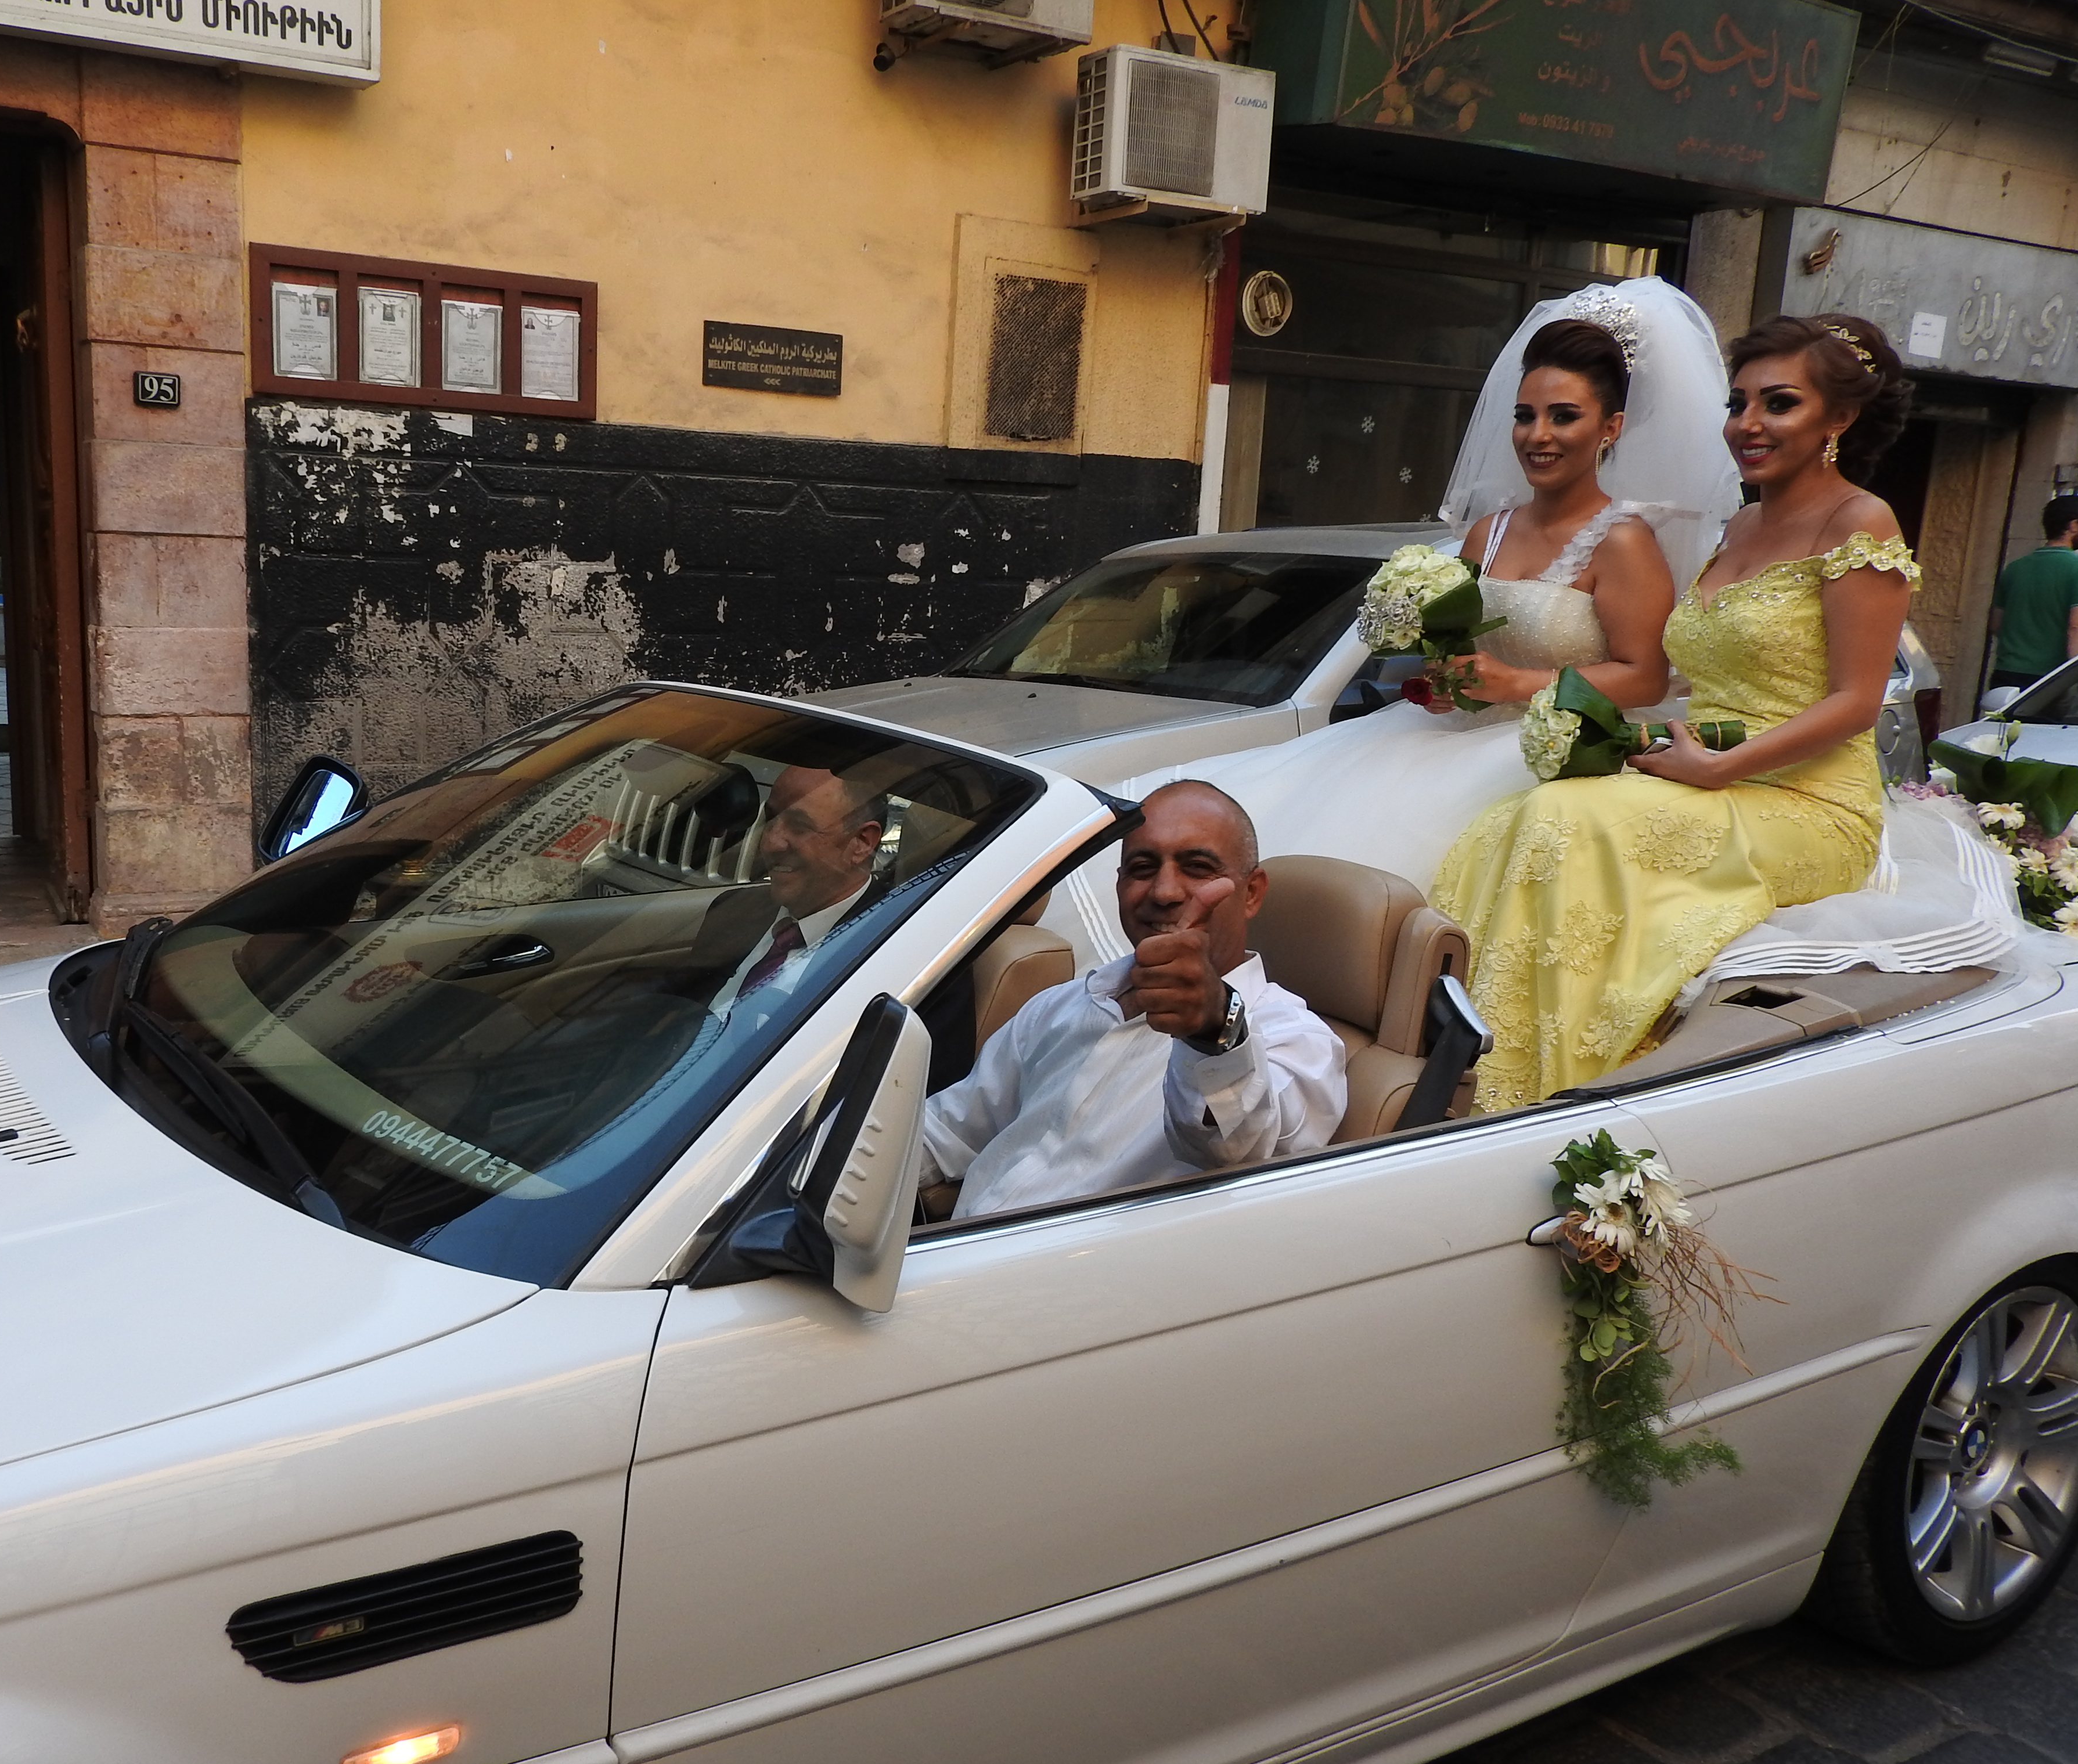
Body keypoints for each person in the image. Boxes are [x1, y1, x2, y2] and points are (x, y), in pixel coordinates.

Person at [1038, 279, 1741, 964]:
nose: (1538, 435)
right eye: (1526, 416)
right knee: (1255, 797)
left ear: (1610, 428)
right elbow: (1457, 651)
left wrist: (1517, 684)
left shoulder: (1624, 541)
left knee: (1369, 859)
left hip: (1533, 751)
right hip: (1439, 731)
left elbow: (1645, 674)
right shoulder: (1488, 533)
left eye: (1565, 416)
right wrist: (1444, 679)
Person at [1430, 313, 1924, 1109]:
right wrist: (1652, 738)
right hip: (1713, 764)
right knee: (1510, 819)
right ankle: (1466, 1055)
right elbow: (1707, 681)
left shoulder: (1861, 523)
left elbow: (1855, 703)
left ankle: (1539, 1089)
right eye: (1739, 403)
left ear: (1840, 417)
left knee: (1564, 820)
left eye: (1779, 403)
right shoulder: (1741, 524)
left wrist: (1721, 762)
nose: (1748, 424)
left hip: (1810, 801)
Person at [920, 781, 1345, 1220]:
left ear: (1252, 892)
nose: (1164, 892)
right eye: (1143, 868)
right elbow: (949, 1130)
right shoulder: (1062, 1005)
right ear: (1120, 885)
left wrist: (1214, 1029)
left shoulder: (1296, 1037)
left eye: (1197, 867)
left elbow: (1237, 1146)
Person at [709, 764, 884, 1013]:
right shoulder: (731, 911)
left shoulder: (892, 955)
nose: (770, 843)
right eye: (770, 818)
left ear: (861, 843)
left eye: (800, 827)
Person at [1989, 495, 2078, 690]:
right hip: (2048, 679)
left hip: (2006, 675)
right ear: (2073, 526)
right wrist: (2073, 679)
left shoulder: (2015, 568)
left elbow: (1996, 625)